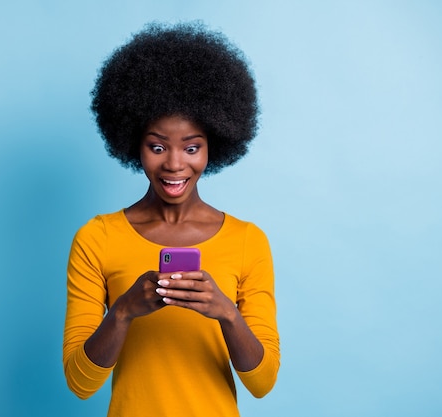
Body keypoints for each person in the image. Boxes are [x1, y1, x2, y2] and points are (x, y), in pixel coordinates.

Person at [63, 21, 280, 417]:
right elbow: (80, 383)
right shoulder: (97, 238)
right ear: (134, 144)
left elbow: (262, 383)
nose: (175, 164)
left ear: (214, 144)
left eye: (191, 147)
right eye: (157, 146)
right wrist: (125, 310)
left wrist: (226, 312)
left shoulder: (248, 241)